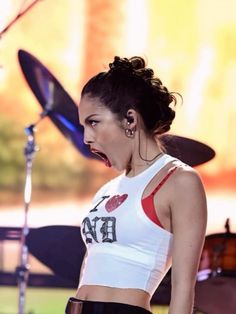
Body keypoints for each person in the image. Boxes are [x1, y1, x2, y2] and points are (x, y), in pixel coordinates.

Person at [65, 56, 207, 314]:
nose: (86, 137)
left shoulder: (179, 181)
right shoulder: (107, 190)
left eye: (93, 122)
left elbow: (183, 289)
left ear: (130, 119)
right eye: (83, 125)